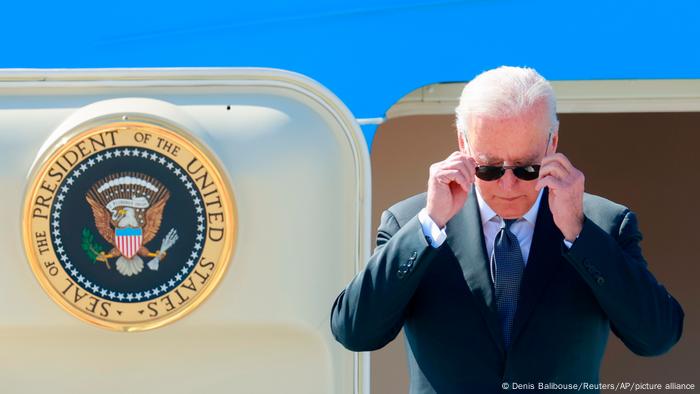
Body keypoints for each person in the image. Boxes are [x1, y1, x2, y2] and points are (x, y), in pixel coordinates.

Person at [330, 66, 684, 393]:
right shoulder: (412, 221)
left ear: (553, 144)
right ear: (463, 144)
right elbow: (355, 331)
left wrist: (579, 232)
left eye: (527, 168)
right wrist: (429, 226)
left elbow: (657, 337)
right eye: (490, 168)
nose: (509, 185)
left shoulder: (603, 222)